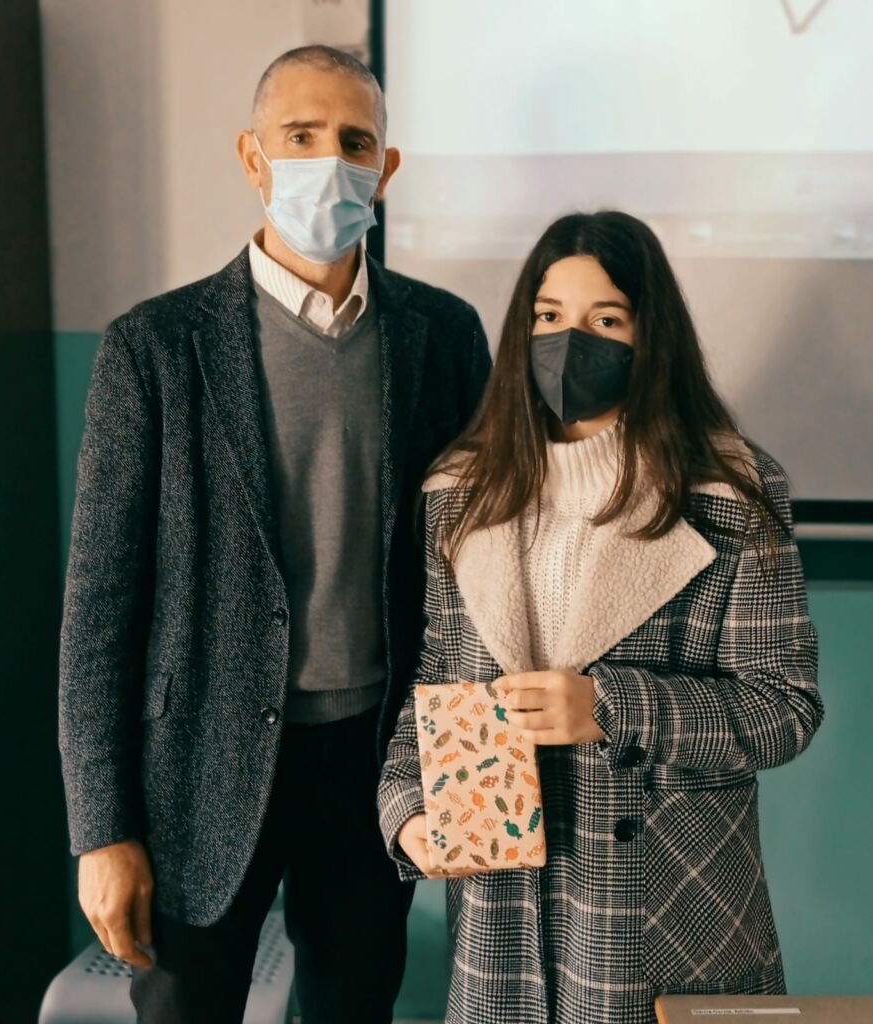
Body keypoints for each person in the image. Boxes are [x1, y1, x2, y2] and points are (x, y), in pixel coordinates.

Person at [58, 45, 490, 1024]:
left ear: (385, 168)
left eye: (354, 141)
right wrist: (101, 828)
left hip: (378, 758)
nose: (329, 161)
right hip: (197, 762)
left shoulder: (443, 335)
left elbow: (477, 571)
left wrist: (465, 777)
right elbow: (98, 607)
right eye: (300, 136)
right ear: (252, 157)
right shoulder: (154, 346)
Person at [378, 210, 824, 1024]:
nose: (568, 342)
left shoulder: (730, 488)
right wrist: (405, 805)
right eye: (547, 317)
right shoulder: (459, 490)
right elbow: (433, 679)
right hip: (501, 913)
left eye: (605, 320)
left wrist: (611, 706)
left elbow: (784, 709)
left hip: (669, 909)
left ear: (651, 336)